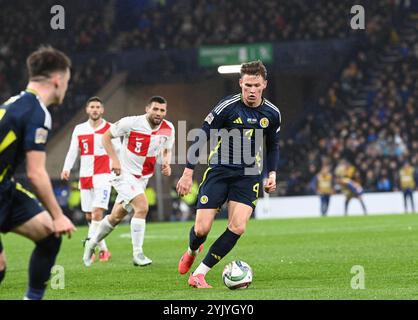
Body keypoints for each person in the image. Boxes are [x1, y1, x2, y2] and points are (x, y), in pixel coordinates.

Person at [176, 60, 281, 288]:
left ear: (264, 85)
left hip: (249, 174)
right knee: (202, 229)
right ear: (240, 83)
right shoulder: (227, 106)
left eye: (256, 86)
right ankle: (192, 249)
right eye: (247, 86)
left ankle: (200, 274)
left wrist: (271, 174)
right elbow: (202, 135)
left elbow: (273, 145)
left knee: (238, 227)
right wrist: (187, 172)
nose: (251, 91)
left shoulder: (272, 113)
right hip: (220, 170)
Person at [0, 46, 76, 299]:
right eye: (66, 81)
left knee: (49, 236)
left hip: (4, 189)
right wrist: (58, 215)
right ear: (57, 80)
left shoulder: (17, 103)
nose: (66, 87)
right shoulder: (37, 112)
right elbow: (36, 173)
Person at [82, 96, 174, 267]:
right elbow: (105, 137)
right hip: (123, 174)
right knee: (142, 207)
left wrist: (166, 162)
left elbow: (166, 149)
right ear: (147, 109)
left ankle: (91, 243)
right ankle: (138, 254)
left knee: (116, 217)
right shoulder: (130, 123)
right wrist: (114, 160)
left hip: (142, 179)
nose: (158, 113)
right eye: (155, 109)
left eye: (162, 110)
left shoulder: (169, 128)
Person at [61, 96, 121, 262]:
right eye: (92, 107)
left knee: (97, 213)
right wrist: (66, 168)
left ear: (102, 110)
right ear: (87, 110)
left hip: (104, 176)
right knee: (89, 216)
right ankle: (104, 250)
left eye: (97, 107)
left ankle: (89, 247)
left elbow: (120, 150)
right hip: (85, 177)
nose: (95, 109)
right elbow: (73, 150)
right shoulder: (79, 129)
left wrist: (121, 168)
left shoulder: (110, 128)